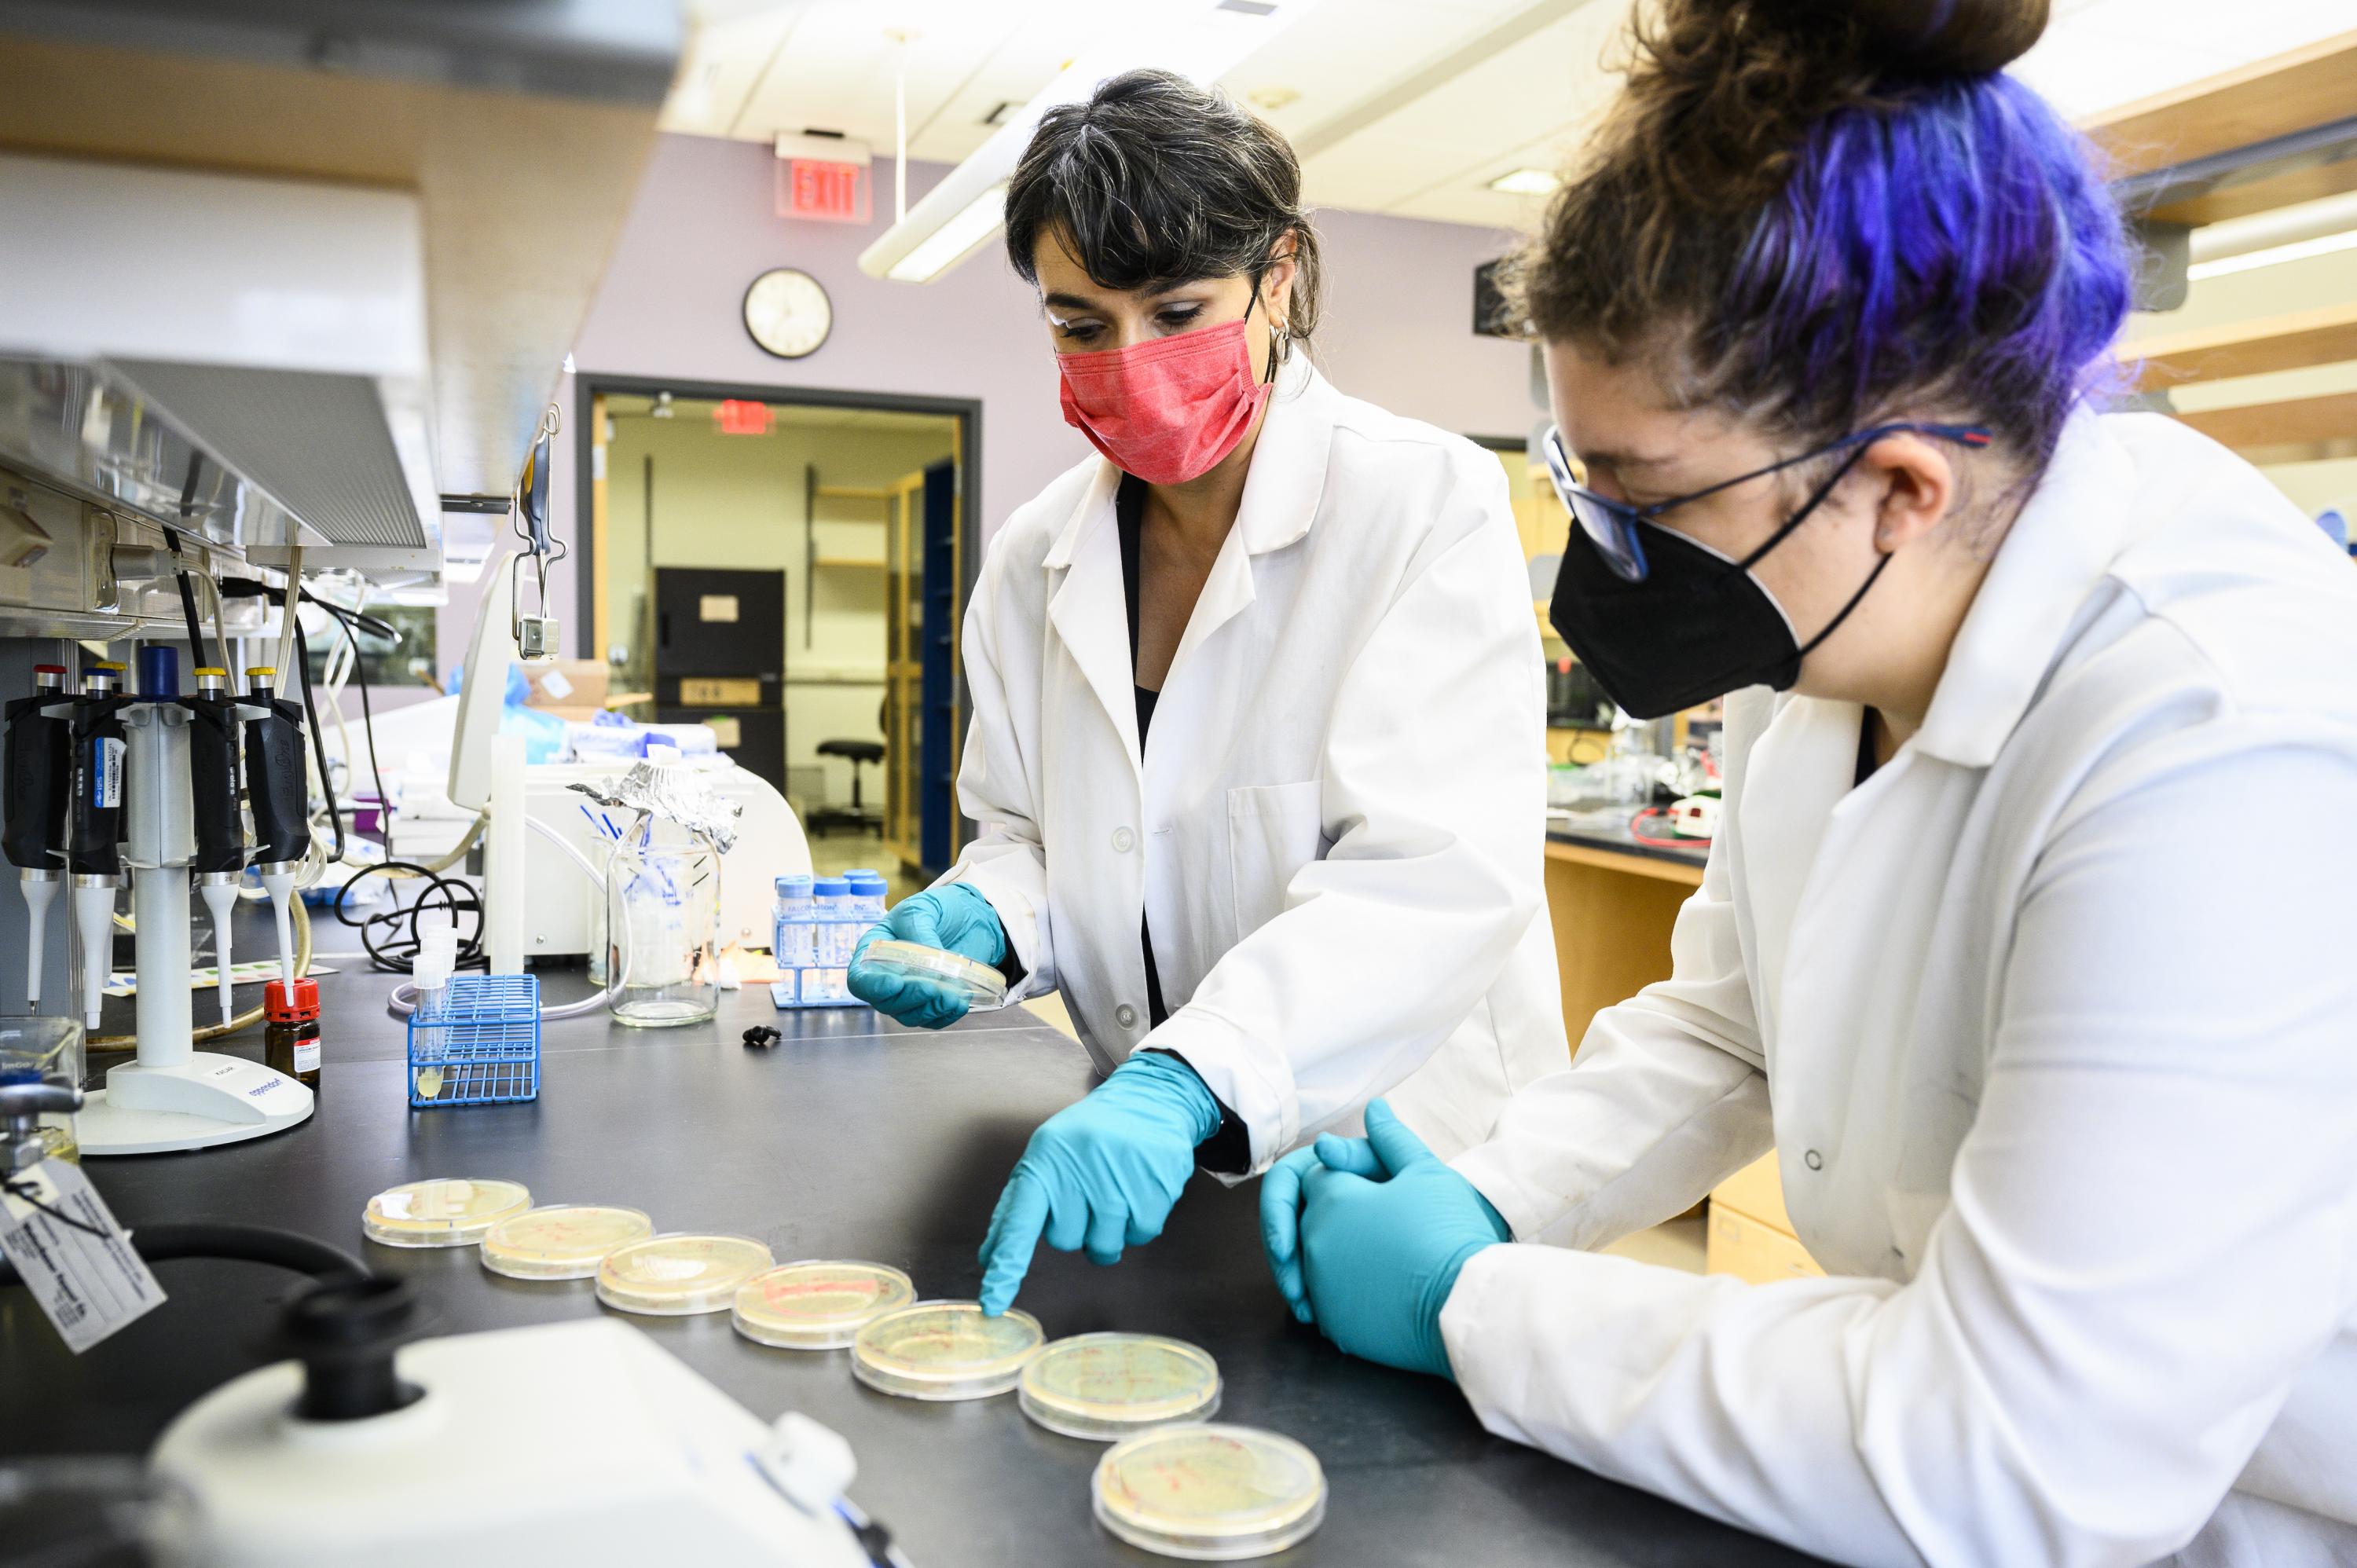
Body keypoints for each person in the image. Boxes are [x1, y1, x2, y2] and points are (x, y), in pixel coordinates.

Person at [1260, 2, 2357, 1563]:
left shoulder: (2217, 735)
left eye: (1641, 504)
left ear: (1900, 486)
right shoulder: (1838, 620)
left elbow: (2018, 1448)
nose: (1605, 565)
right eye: (1584, 483)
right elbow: (1736, 1016)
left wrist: (1473, 1303)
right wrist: (1490, 1190)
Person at [849, 69, 1568, 1315]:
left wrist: (1189, 1081)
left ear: (1276, 276)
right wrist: (985, 918)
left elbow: (1431, 878)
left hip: (1402, 1156)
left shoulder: (1421, 506)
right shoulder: (1035, 562)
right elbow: (1035, 832)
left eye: (1177, 311)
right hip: (1148, 1168)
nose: (1131, 363)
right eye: (1081, 326)